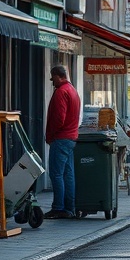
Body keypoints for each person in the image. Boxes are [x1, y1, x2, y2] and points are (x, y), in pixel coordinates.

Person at [44, 65, 81, 219]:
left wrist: (50, 135)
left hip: (61, 138)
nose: (52, 81)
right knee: (68, 174)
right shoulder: (73, 91)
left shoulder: (61, 92)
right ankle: (69, 207)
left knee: (56, 174)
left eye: (53, 78)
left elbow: (59, 118)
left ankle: (58, 207)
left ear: (58, 76)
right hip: (71, 137)